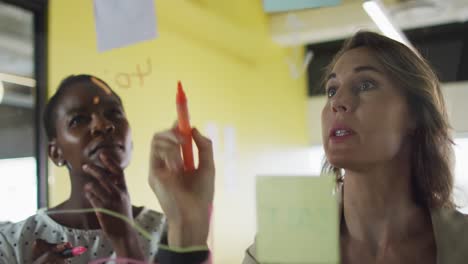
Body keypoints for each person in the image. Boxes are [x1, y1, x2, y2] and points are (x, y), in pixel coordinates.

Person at [241, 31, 468, 263]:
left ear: (414, 115)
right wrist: (199, 242)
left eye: (365, 84)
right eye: (332, 89)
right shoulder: (279, 248)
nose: (337, 102)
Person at [0, 74, 213, 264]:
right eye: (78, 119)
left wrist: (127, 240)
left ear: (130, 141)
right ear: (56, 153)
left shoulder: (170, 230)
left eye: (114, 113)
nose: (103, 125)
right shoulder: (14, 242)